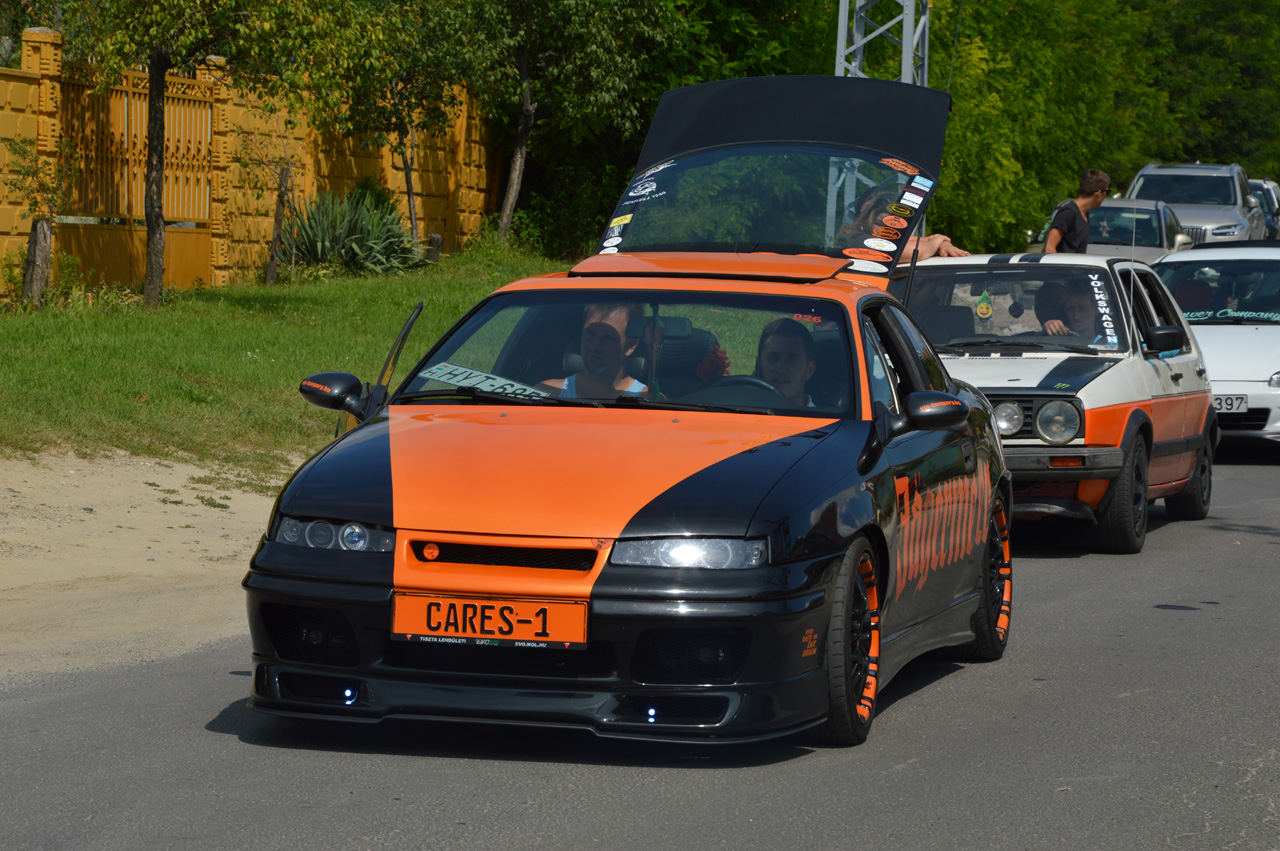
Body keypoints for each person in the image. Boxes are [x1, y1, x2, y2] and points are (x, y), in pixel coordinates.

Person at [837, 183, 970, 261]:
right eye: (879, 223)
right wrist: (939, 240)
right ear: (865, 220)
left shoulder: (886, 239)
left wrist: (943, 244)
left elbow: (921, 240)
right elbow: (917, 251)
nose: (886, 231)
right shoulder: (853, 240)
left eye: (893, 225)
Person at [541, 303, 648, 398]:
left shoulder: (648, 403)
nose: (595, 346)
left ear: (631, 345)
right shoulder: (547, 394)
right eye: (590, 334)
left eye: (608, 338)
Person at [1044, 169, 1110, 254]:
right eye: (1107, 192)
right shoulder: (1068, 212)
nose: (1106, 196)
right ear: (1099, 193)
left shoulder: (1085, 214)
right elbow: (1048, 248)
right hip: (1063, 263)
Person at [756, 317, 817, 406]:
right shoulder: (741, 409)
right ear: (758, 365)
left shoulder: (823, 415)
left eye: (792, 360)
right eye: (772, 358)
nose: (780, 369)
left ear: (809, 370)